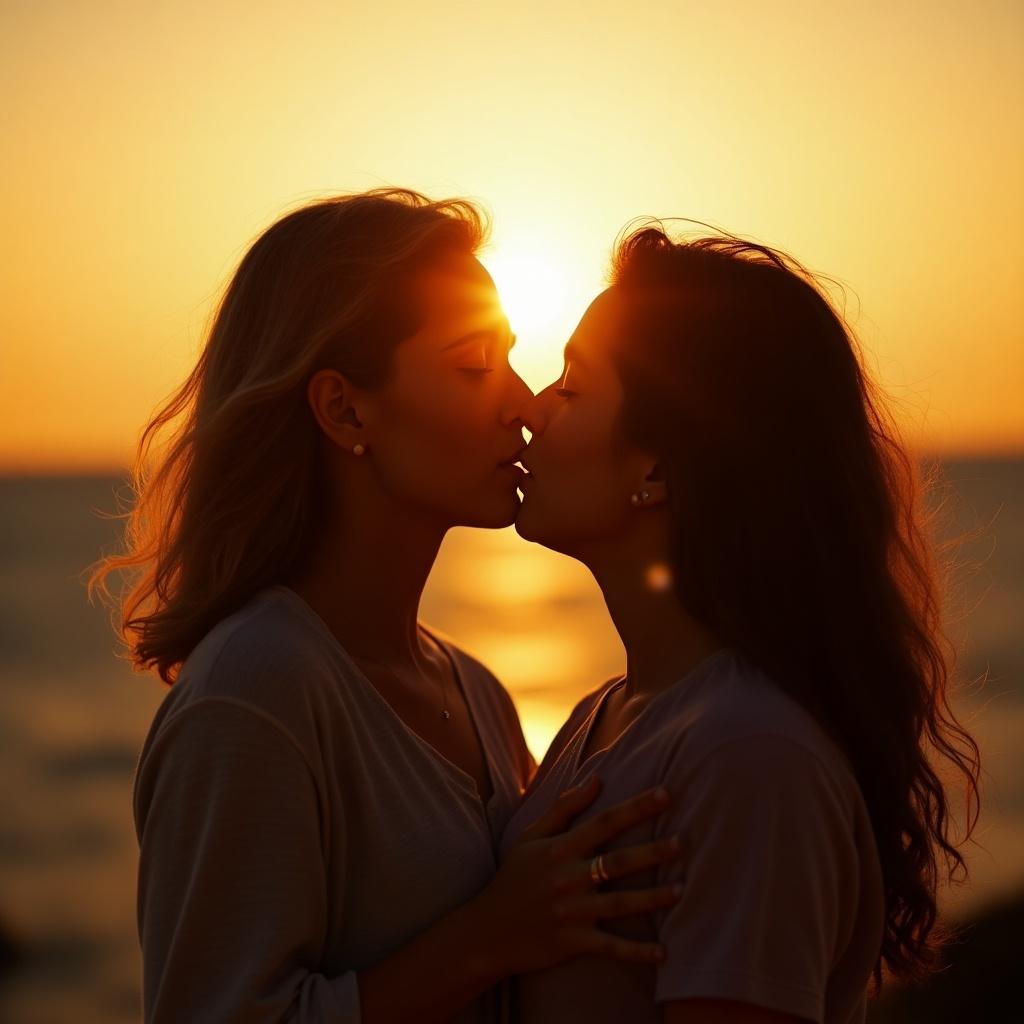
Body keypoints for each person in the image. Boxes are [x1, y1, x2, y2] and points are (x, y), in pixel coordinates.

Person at [89, 190, 685, 1023]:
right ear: (343, 408)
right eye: (475, 365)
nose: (521, 405)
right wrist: (487, 937)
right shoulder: (256, 693)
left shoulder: (475, 691)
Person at [503, 224, 981, 1023]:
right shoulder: (612, 716)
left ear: (654, 467)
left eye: (573, 387)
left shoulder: (745, 755)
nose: (531, 411)